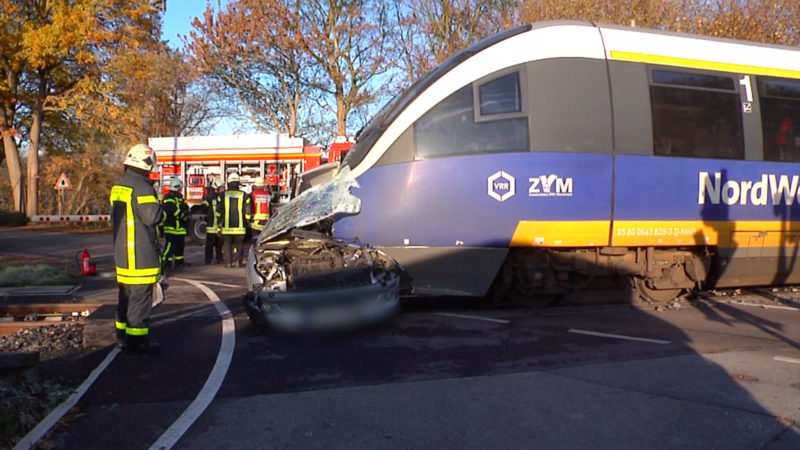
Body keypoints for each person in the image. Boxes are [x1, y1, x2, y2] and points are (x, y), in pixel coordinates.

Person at [110, 143, 165, 355]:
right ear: (147, 163)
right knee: (140, 301)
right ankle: (136, 343)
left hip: (123, 255)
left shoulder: (120, 186)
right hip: (140, 256)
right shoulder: (142, 187)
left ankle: (122, 336)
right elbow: (152, 217)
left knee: (125, 297)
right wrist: (164, 210)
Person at [216, 173, 251, 268]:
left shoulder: (222, 195)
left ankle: (228, 262)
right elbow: (248, 211)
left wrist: (219, 221)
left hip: (227, 227)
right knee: (239, 244)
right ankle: (238, 262)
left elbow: (218, 211)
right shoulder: (244, 195)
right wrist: (247, 222)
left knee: (227, 244)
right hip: (240, 227)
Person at [161, 178, 190, 269]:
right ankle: (165, 262)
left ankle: (179, 262)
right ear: (177, 188)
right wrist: (182, 214)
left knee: (180, 246)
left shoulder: (179, 197)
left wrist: (187, 212)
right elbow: (171, 210)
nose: (181, 190)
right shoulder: (169, 198)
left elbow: (185, 207)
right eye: (180, 188)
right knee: (170, 246)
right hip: (171, 227)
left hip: (180, 228)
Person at [202, 178, 224, 264]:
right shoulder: (210, 198)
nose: (222, 189)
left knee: (219, 244)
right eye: (221, 188)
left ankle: (217, 258)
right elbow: (203, 208)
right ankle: (209, 260)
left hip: (217, 225)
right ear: (216, 188)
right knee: (210, 244)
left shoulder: (216, 197)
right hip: (212, 225)